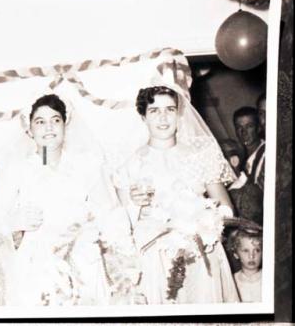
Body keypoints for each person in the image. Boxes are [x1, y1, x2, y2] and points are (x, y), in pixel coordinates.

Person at [0, 94, 137, 306]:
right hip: (34, 269)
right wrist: (14, 222)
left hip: (83, 264)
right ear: (29, 129)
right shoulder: (16, 170)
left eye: (55, 120)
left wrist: (126, 266)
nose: (49, 127)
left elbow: (111, 216)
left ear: (65, 125)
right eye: (40, 122)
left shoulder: (87, 166)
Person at [113, 85, 239, 304]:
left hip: (198, 254)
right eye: (154, 111)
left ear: (178, 114)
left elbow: (227, 209)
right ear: (143, 117)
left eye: (169, 109)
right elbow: (120, 226)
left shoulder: (201, 156)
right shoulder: (130, 164)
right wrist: (134, 205)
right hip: (154, 259)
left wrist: (203, 222)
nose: (163, 118)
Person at [228, 106, 265, 225]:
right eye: (239, 127)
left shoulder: (267, 154)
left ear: (259, 128)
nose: (243, 132)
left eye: (249, 126)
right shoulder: (240, 155)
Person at [229, 229, 262, 302]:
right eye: (246, 250)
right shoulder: (232, 281)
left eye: (257, 250)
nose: (251, 256)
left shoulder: (270, 279)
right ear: (236, 254)